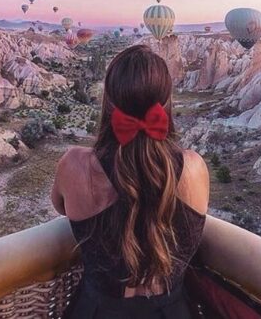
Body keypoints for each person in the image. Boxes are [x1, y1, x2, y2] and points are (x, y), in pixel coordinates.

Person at [51, 45, 208, 318]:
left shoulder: (75, 164)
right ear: (166, 104)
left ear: (108, 102)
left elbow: (60, 206)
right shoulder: (193, 167)